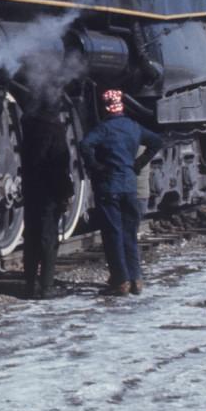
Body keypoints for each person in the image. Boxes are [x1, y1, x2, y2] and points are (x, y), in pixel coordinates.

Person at [80, 88, 163, 296]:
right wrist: (138, 164)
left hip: (109, 187)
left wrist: (96, 166)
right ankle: (136, 279)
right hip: (129, 187)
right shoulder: (133, 127)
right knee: (129, 235)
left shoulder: (104, 129)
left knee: (113, 235)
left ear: (105, 108)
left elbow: (84, 145)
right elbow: (156, 142)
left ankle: (120, 281)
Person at [18, 93, 73, 300]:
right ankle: (47, 288)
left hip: (32, 189)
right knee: (48, 240)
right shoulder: (55, 129)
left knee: (31, 237)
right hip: (50, 191)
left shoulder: (29, 126)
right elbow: (59, 164)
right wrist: (66, 192)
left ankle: (30, 285)